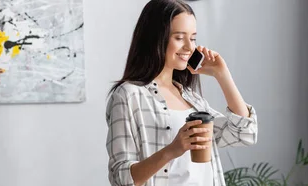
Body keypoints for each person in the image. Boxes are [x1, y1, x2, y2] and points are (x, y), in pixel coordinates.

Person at [105, 0, 259, 185]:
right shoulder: (128, 96)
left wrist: (222, 74)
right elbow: (120, 177)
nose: (189, 47)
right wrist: (173, 150)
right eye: (179, 38)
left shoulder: (190, 97)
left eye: (193, 38)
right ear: (155, 38)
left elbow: (244, 133)